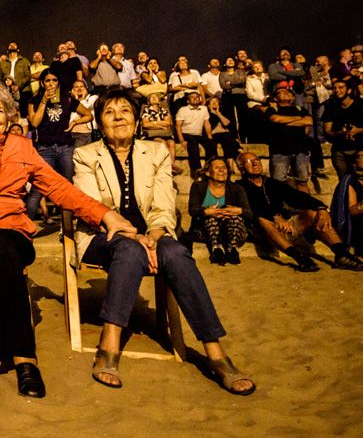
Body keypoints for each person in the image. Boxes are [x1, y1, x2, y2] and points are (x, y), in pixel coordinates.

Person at [0, 82, 138, 398]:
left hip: (6, 225)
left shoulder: (22, 147)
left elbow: (60, 188)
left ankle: (24, 359)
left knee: (3, 253)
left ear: (11, 114)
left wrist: (104, 215)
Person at [72, 88, 255, 394]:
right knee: (129, 249)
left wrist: (156, 233)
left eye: (125, 111)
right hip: (103, 235)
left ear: (137, 119)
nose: (118, 118)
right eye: (109, 113)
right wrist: (137, 236)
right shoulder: (86, 154)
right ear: (99, 124)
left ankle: (215, 352)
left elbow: (164, 204)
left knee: (177, 253)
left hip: (152, 235)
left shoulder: (156, 152)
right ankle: (110, 343)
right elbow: (94, 206)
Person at [236, 152, 363, 272]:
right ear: (241, 167)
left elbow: (298, 197)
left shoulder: (272, 183)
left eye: (257, 160)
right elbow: (250, 208)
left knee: (313, 214)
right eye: (249, 161)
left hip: (285, 227)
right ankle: (300, 258)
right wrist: (274, 217)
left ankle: (341, 255)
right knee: (262, 219)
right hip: (263, 232)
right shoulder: (239, 186)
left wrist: (321, 208)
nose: (255, 163)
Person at [25, 70, 94, 222]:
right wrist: (43, 101)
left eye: (54, 80)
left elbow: (89, 115)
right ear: (42, 83)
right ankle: (22, 230)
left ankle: (67, 227)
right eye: (48, 80)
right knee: (38, 188)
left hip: (65, 147)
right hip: (45, 149)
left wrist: (75, 122)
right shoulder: (34, 100)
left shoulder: (67, 99)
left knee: (68, 187)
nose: (51, 83)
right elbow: (34, 122)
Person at [188, 157, 253, 265]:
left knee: (235, 217)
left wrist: (239, 210)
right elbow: (192, 210)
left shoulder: (237, 188)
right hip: (205, 231)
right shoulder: (198, 186)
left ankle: (232, 250)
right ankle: (216, 249)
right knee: (211, 217)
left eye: (224, 167)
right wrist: (206, 211)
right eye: (217, 168)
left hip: (232, 231)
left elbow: (250, 214)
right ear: (208, 173)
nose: (222, 170)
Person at [323, 80, 363, 177]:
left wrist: (359, 130)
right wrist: (341, 133)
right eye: (334, 88)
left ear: (349, 90)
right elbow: (327, 131)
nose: (337, 90)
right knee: (345, 183)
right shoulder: (330, 106)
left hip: (361, 149)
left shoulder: (362, 105)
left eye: (340, 87)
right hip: (340, 151)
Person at [266, 86, 313, 188]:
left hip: (301, 149)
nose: (285, 93)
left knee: (303, 182)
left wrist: (285, 122)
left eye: (287, 92)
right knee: (278, 184)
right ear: (275, 98)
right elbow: (276, 119)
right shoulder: (272, 109)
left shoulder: (300, 109)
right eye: (280, 92)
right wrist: (297, 119)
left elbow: (309, 121)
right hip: (280, 150)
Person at [175, 91, 216, 178]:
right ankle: (197, 168)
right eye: (192, 97)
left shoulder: (204, 109)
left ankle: (208, 167)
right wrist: (181, 140)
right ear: (188, 101)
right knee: (193, 143)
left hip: (198, 135)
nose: (195, 98)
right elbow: (178, 126)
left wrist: (210, 137)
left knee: (212, 144)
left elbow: (207, 124)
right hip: (185, 133)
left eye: (197, 97)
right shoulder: (183, 110)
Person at [0, 42, 32, 112]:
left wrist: (18, 86)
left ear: (18, 49)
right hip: (7, 91)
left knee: (22, 113)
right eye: (10, 45)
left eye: (14, 45)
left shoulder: (24, 61)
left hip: (23, 91)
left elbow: (28, 76)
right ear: (7, 50)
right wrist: (4, 89)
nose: (12, 45)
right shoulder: (2, 63)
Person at [69, 79, 98, 148]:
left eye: (81, 86)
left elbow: (85, 109)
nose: (79, 89)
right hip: (71, 133)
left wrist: (81, 99)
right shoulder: (69, 100)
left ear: (86, 88)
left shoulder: (93, 98)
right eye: (76, 87)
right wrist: (75, 99)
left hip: (85, 134)